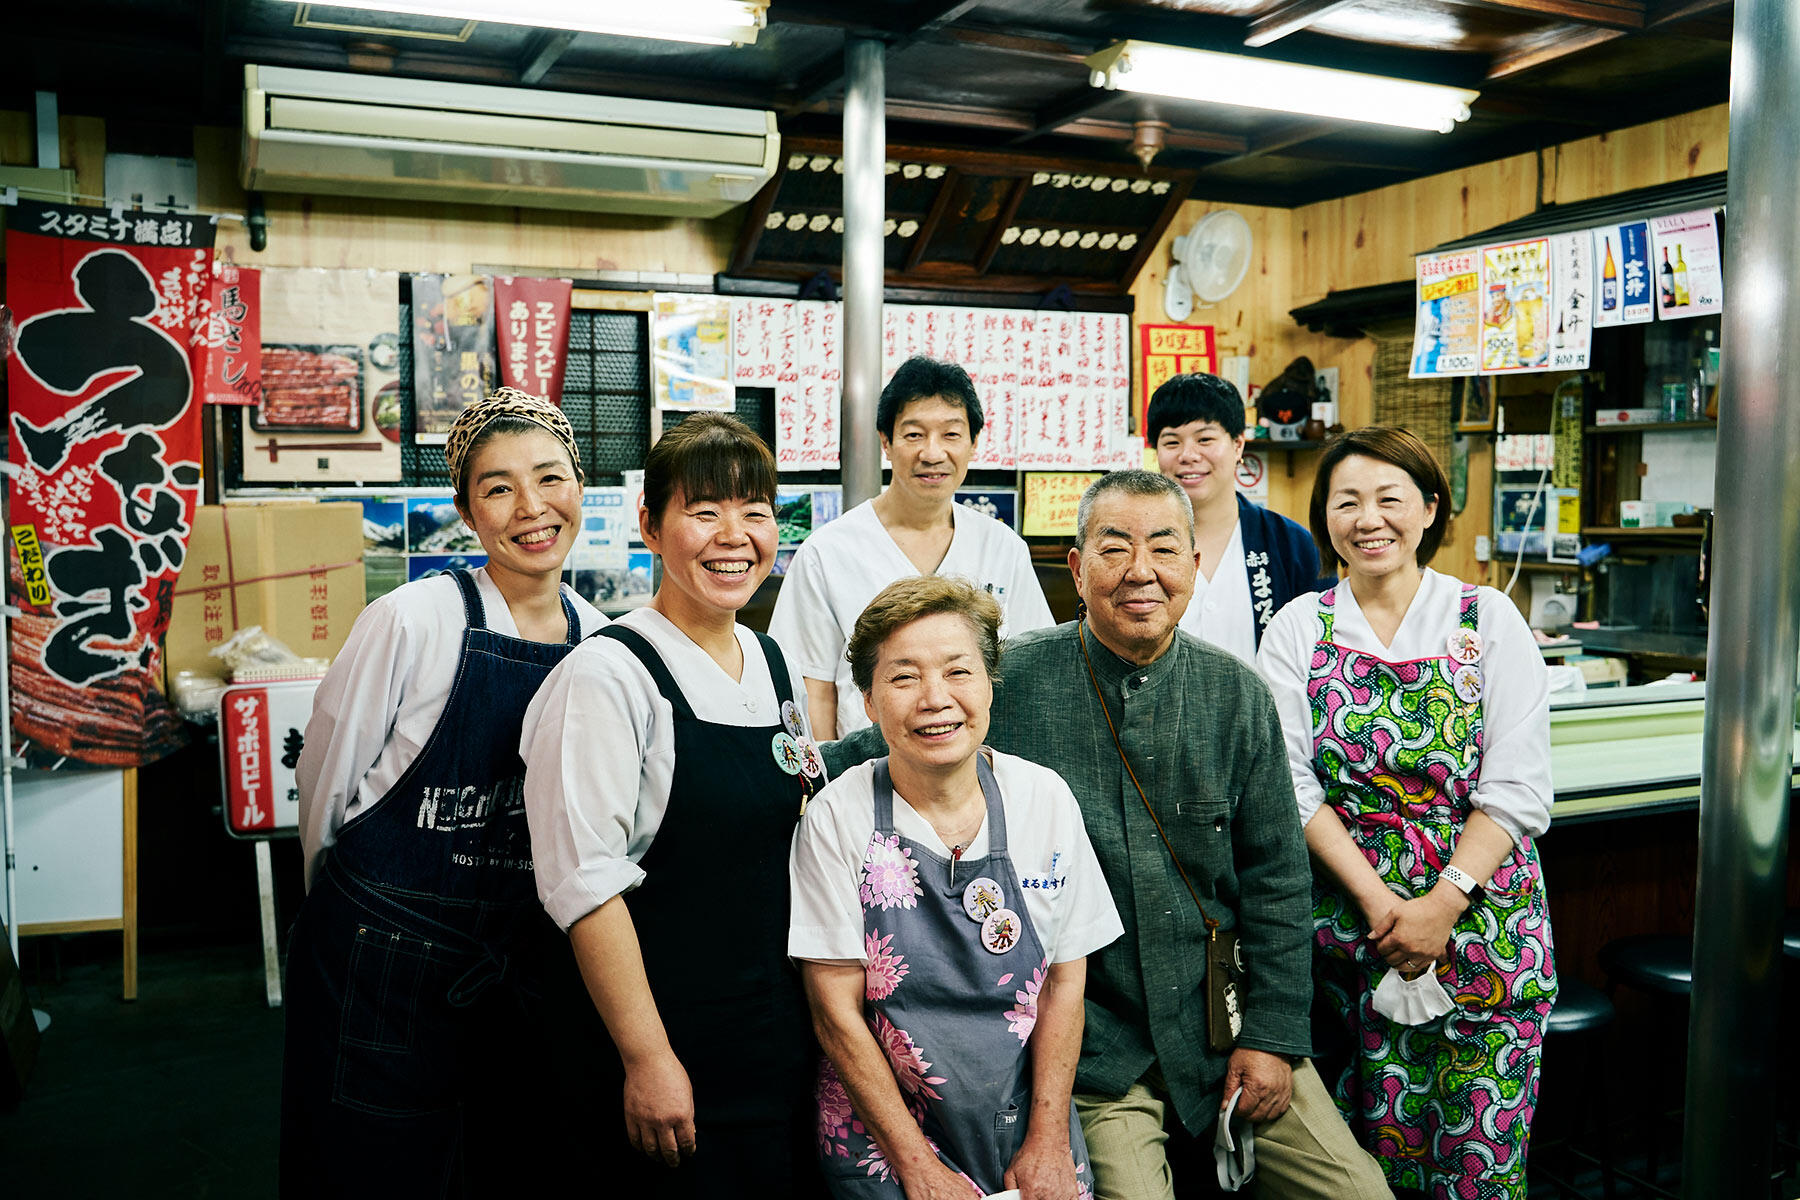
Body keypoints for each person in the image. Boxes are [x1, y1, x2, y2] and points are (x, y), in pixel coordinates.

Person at [828, 470, 1391, 1200]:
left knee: (1359, 1192)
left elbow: (1279, 880)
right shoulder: (1011, 678)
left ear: (1194, 567)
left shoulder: (1237, 694)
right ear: (1075, 568)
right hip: (1094, 1047)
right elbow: (878, 742)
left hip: (1222, 1024)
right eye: (1114, 547)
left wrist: (1272, 1035)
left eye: (1163, 548)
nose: (1140, 572)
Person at [282, 388, 606, 1197]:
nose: (531, 508)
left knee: (502, 1160)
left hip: (514, 958)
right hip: (379, 955)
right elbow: (325, 781)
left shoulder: (602, 640)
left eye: (549, 479)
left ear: (580, 486)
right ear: (465, 510)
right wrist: (353, 917)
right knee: (370, 1170)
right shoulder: (411, 618)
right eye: (498, 488)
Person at [522, 413, 823, 1196]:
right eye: (705, 510)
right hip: (665, 1056)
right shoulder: (609, 675)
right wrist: (648, 1058)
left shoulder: (771, 658)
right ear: (651, 526)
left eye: (756, 511)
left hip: (773, 1043)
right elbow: (583, 882)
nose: (736, 535)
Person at [1257, 427, 1557, 1200]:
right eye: (1347, 501)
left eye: (1390, 499)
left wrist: (1441, 903)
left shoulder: (1486, 618)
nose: (1369, 519)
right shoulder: (1299, 627)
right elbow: (1291, 787)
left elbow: (1517, 786)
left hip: (1486, 931)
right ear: (1324, 516)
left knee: (1481, 1166)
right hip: (1359, 936)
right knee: (1368, 1166)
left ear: (1429, 508)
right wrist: (1385, 905)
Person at [790, 575, 1124, 1198]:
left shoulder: (1043, 798)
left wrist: (1048, 1137)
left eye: (958, 672)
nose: (935, 699)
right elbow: (834, 1013)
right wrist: (916, 1166)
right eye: (904, 676)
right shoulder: (838, 815)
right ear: (866, 699)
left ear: (991, 681)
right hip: (884, 1137)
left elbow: (1065, 981)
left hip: (1027, 1126)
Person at [769, 356, 1054, 739]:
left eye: (951, 435)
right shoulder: (828, 551)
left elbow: (1032, 673)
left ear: (973, 444)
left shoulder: (1003, 547)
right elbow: (811, 691)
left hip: (978, 777)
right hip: (865, 777)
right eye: (914, 434)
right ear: (886, 442)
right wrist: (828, 783)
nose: (932, 453)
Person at [1149, 372, 1332, 667]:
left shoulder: (1292, 546)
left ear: (1238, 445)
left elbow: (1325, 652)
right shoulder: (1138, 547)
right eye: (1171, 442)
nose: (1188, 455)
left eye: (1205, 439)